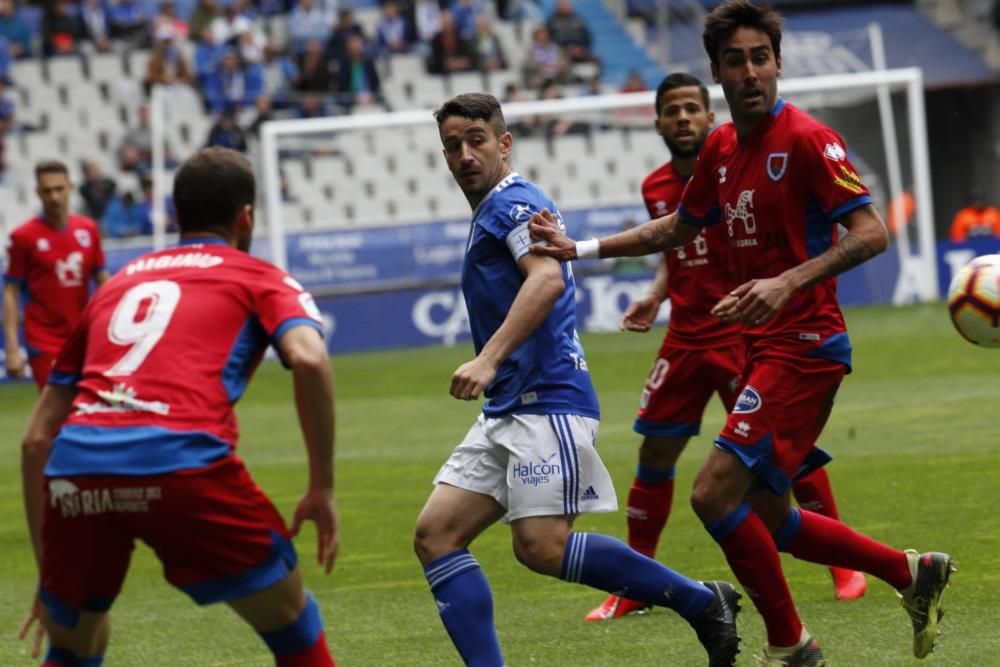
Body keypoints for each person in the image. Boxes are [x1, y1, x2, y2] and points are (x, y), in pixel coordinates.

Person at [527, 3, 953, 664]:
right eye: (735, 60)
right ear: (718, 71)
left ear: (778, 63)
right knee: (773, 517)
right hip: (761, 347)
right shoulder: (723, 148)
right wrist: (576, 246)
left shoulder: (810, 139)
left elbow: (871, 231)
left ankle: (790, 643)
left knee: (711, 492)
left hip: (806, 345)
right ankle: (909, 570)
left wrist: (788, 281)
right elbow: (675, 229)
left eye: (760, 57)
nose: (750, 71)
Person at [412, 92, 741, 667]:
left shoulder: (515, 202)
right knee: (436, 534)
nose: (464, 154)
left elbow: (546, 280)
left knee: (540, 547)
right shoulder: (492, 207)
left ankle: (699, 602)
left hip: (547, 403)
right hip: (509, 407)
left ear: (505, 142)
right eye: (452, 146)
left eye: (476, 140)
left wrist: (487, 358)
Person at [18, 147, 340, 666]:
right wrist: (321, 487)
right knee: (293, 623)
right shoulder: (259, 276)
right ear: (246, 217)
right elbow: (310, 360)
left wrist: (48, 572)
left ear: (175, 217)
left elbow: (36, 439)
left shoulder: (116, 285)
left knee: (77, 645)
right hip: (182, 464)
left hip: (79, 467)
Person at [584, 72, 867, 624]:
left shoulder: (743, 165)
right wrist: (654, 295)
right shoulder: (657, 186)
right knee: (655, 452)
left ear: (710, 117)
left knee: (785, 458)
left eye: (693, 109)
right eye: (673, 111)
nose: (684, 118)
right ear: (659, 121)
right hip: (685, 336)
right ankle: (637, 583)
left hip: (742, 334)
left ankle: (844, 569)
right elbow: (677, 242)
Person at [3, 161, 109, 389]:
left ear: (70, 187)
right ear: (38, 193)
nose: (54, 197)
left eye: (59, 189)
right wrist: (12, 349)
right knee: (57, 413)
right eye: (47, 191)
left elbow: (103, 283)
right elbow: (10, 293)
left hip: (83, 337)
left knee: (86, 411)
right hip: (44, 341)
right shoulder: (23, 237)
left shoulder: (88, 229)